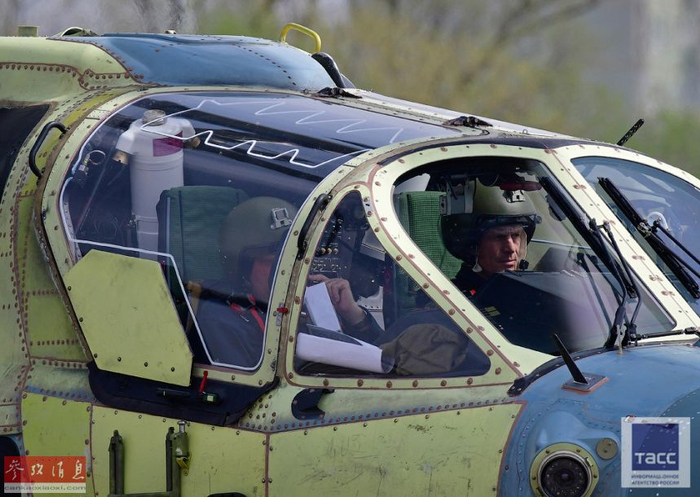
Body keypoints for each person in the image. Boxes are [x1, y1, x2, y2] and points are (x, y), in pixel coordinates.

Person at [195, 196, 379, 368]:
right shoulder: (223, 319)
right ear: (243, 267)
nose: (289, 270)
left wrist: (353, 316)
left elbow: (380, 364)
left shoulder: (308, 305)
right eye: (273, 262)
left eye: (295, 261)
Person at [441, 182, 540, 296]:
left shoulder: (528, 292)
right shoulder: (453, 298)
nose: (511, 249)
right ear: (471, 246)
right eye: (499, 237)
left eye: (515, 235)